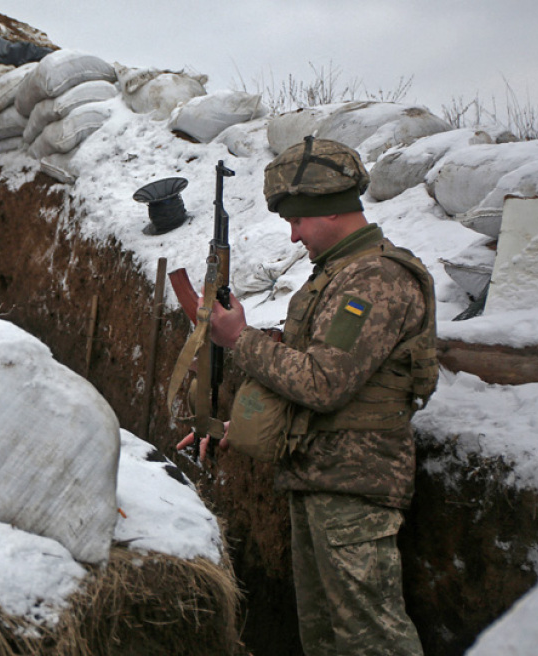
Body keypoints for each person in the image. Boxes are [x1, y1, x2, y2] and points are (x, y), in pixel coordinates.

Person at [179, 136, 438, 655]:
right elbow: (316, 373)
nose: (294, 236)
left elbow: (323, 381)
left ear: (331, 212)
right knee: (323, 638)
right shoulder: (340, 276)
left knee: (372, 640)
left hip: (353, 487)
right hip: (319, 476)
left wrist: (239, 340)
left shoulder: (375, 279)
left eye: (297, 221)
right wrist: (240, 426)